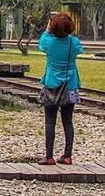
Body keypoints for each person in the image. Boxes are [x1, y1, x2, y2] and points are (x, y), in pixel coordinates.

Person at [38, 12, 82, 165]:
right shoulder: (74, 43)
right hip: (71, 85)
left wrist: (48, 28)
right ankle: (67, 156)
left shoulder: (48, 42)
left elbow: (41, 42)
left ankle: (49, 157)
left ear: (52, 27)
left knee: (50, 121)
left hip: (51, 85)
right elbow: (78, 47)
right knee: (68, 121)